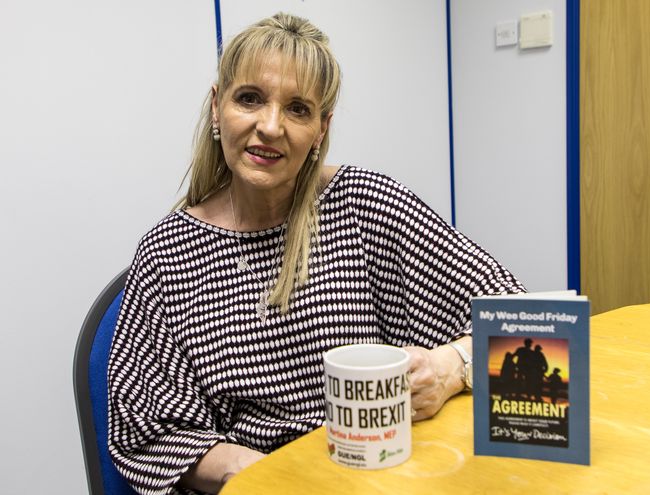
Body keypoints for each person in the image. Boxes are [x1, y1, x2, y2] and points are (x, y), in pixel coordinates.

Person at [107, 12, 525, 495]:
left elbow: (518, 317)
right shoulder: (168, 253)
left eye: (298, 109)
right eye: (250, 99)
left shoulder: (365, 204)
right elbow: (148, 433)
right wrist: (259, 473)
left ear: (321, 129)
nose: (270, 126)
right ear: (218, 107)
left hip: (388, 474)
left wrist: (453, 368)